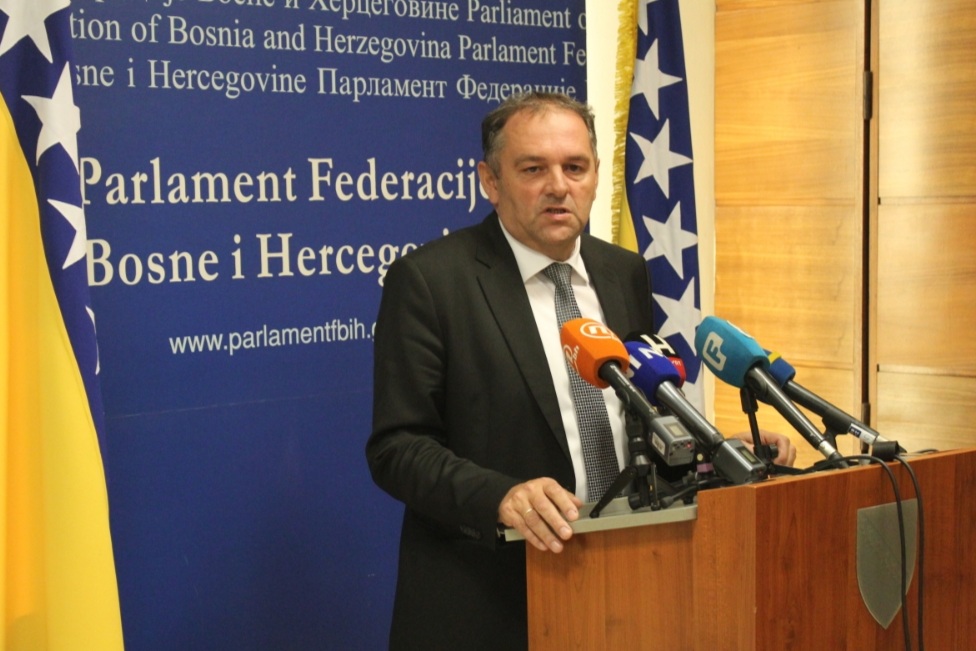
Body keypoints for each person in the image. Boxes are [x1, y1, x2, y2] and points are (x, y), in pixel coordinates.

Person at [366, 92, 795, 650]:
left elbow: (636, 416)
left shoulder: (623, 272)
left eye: (575, 167)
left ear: (594, 177)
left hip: (625, 583)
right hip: (493, 598)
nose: (558, 186)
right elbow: (398, 448)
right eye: (532, 169)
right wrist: (500, 496)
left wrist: (712, 455)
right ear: (490, 181)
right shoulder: (430, 281)